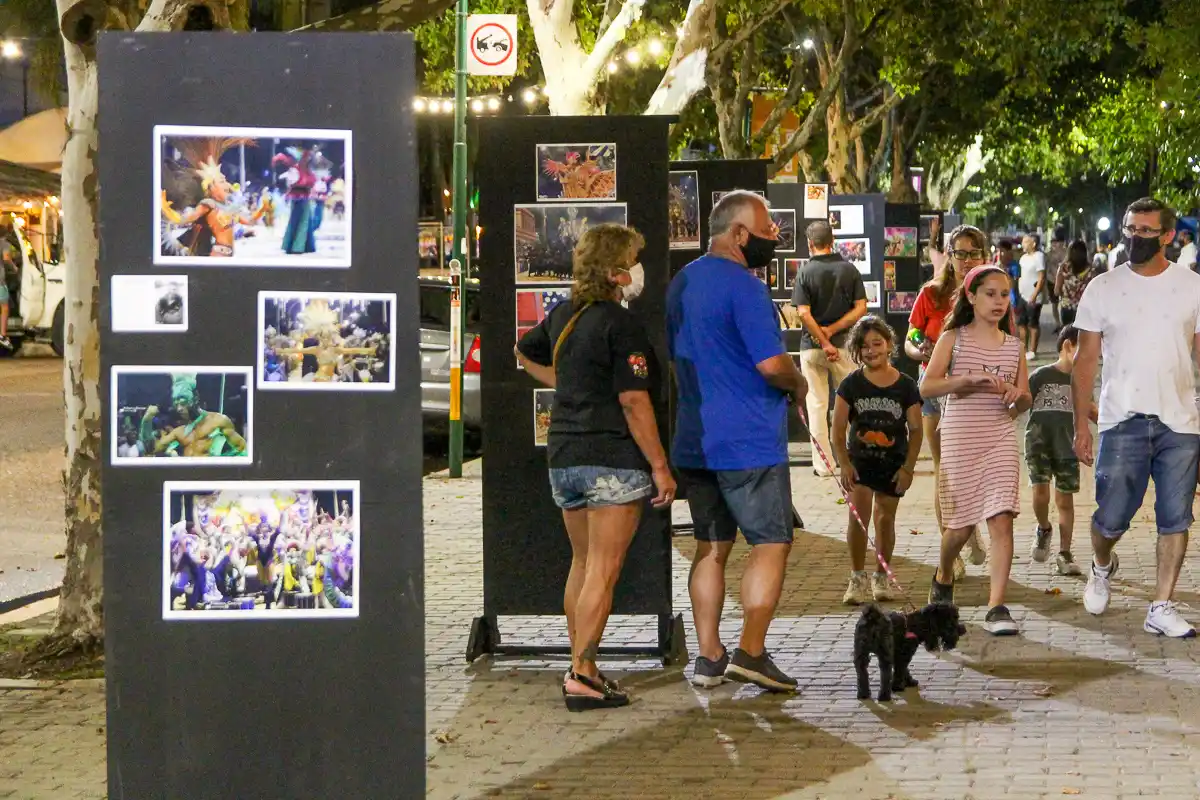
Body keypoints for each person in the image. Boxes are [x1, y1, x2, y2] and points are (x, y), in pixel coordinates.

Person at [515, 223, 675, 709]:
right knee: (603, 572)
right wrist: (660, 466)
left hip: (565, 455)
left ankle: (579, 665)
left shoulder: (565, 314)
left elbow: (524, 352)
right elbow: (633, 400)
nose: (638, 268)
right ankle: (582, 673)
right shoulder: (620, 325)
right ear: (615, 272)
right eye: (633, 259)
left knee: (583, 564)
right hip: (612, 459)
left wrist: (566, 384)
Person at [667, 190, 807, 693]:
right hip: (749, 442)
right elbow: (772, 365)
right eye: (768, 232)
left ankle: (708, 658)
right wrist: (799, 383)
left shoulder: (681, 283)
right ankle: (751, 651)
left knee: (711, 548)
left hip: (695, 440)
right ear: (739, 234)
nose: (773, 241)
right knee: (771, 544)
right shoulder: (746, 289)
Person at [1072, 197, 1200, 638]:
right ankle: (1102, 563)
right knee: (1111, 517)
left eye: (1146, 231)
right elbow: (1085, 362)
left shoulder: (1192, 286)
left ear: (1167, 236)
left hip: (1180, 423)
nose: (1135, 237)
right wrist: (1080, 427)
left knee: (1176, 517)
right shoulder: (1102, 288)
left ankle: (1161, 605)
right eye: (1130, 229)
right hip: (1120, 420)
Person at [920, 254, 1032, 636]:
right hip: (959, 438)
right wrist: (963, 382)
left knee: (1002, 518)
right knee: (960, 528)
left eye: (1005, 295)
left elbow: (1025, 399)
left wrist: (1016, 395)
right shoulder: (953, 339)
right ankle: (944, 572)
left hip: (1000, 436)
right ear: (971, 296)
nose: (999, 302)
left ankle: (997, 605)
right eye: (990, 294)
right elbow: (927, 386)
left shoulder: (1014, 346)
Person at [906, 228, 987, 577]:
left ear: (984, 255)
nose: (966, 259)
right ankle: (950, 547)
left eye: (973, 252)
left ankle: (968, 529)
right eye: (960, 253)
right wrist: (917, 348)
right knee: (945, 472)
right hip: (937, 392)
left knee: (976, 469)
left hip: (978, 395)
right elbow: (911, 336)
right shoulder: (931, 294)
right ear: (949, 255)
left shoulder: (991, 293)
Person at [831, 315, 922, 604]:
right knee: (859, 520)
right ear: (856, 350)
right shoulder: (850, 385)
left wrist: (908, 468)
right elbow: (837, 429)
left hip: (893, 464)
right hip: (860, 464)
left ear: (889, 344)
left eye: (877, 343)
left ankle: (882, 577)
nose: (871, 351)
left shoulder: (906, 386)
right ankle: (857, 577)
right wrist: (844, 463)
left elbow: (916, 430)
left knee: (885, 519)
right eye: (865, 346)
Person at [791, 219, 868, 476]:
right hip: (845, 346)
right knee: (851, 403)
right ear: (832, 241)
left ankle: (823, 466)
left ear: (810, 243)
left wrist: (822, 340)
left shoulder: (804, 272)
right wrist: (832, 333)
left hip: (811, 349)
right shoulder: (849, 270)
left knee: (816, 405)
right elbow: (861, 308)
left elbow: (803, 313)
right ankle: (855, 461)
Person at [1026, 326, 1096, 576]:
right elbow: (1021, 401)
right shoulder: (1040, 376)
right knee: (1041, 494)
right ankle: (1044, 528)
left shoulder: (1082, 384)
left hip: (1068, 448)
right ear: (1068, 346)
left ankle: (1065, 553)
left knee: (1065, 501)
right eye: (1085, 351)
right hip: (1038, 445)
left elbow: (1093, 413)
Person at [1016, 235, 1046, 361]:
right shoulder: (1023, 258)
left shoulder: (1039, 257)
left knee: (1032, 324)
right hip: (1022, 295)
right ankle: (1023, 349)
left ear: (1033, 243)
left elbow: (1041, 277)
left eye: (1026, 242)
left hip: (1034, 297)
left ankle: (1033, 350)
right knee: (1021, 323)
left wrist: (1035, 294)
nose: (1023, 244)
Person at [1054, 241, 1094, 328]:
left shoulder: (1063, 268)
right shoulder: (1091, 270)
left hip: (1067, 308)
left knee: (1068, 338)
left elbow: (1056, 291)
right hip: (1085, 309)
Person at [1046, 227, 1068, 331]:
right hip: (1052, 281)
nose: (1055, 244)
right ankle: (1058, 324)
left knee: (1065, 303)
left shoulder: (1067, 253)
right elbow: (1047, 268)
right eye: (1053, 242)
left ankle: (1064, 324)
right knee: (1054, 304)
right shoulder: (1049, 254)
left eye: (1057, 242)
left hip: (1065, 281)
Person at [0, 218, 14, 351]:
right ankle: (3, 335)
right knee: (4, 307)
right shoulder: (4, 244)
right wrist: (14, 268)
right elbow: (6, 259)